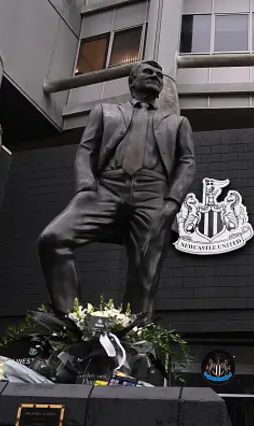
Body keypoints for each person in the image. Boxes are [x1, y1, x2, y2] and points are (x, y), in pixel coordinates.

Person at [37, 60, 195, 320]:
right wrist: (86, 187)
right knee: (52, 239)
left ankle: (133, 340)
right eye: (148, 72)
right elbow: (85, 150)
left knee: (145, 275)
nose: (155, 76)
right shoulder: (105, 111)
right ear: (132, 81)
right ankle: (72, 322)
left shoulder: (177, 123)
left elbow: (187, 162)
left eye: (159, 74)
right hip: (105, 190)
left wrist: (172, 202)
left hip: (152, 195)